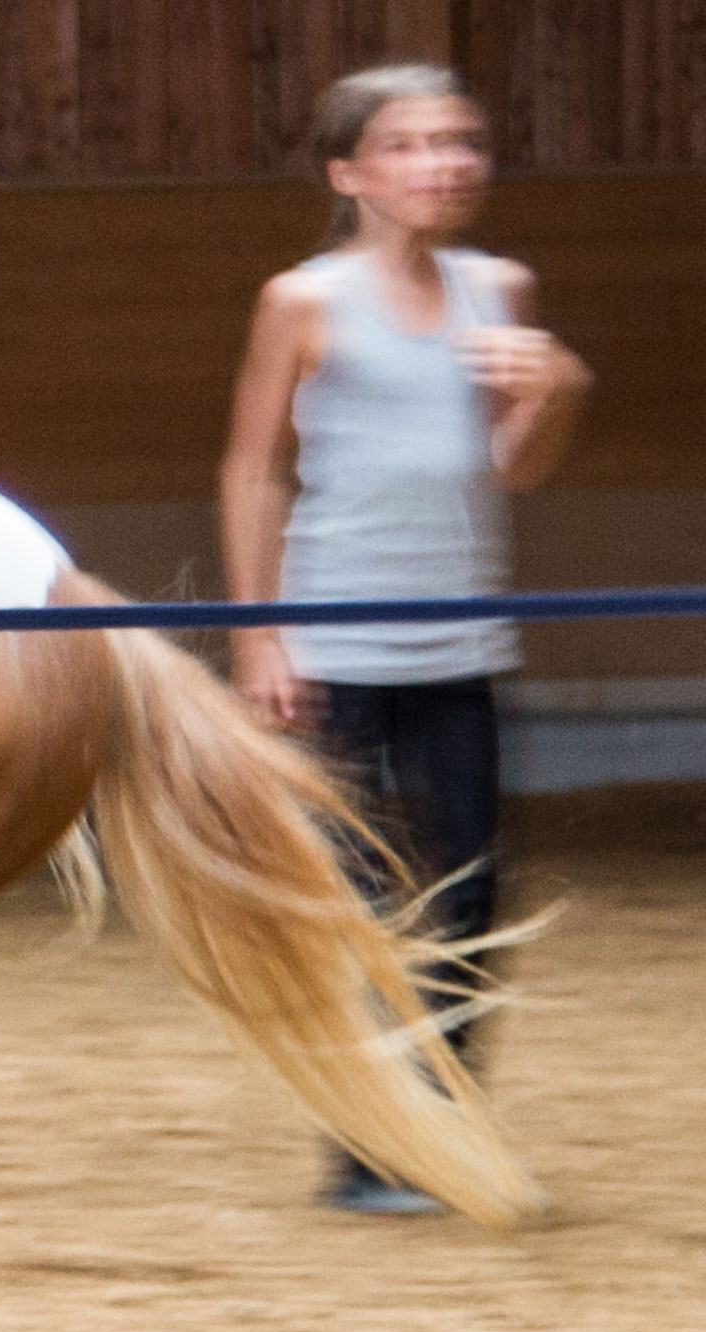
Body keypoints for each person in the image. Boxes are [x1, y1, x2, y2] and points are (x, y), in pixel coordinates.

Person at [217, 63, 592, 1213]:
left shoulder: (500, 288)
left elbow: (512, 466)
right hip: (338, 650)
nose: (446, 162)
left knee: (474, 895)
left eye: (461, 141)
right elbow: (253, 467)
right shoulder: (305, 299)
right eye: (414, 143)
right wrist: (261, 637)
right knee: (363, 906)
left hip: (464, 646)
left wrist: (559, 388)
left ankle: (440, 1130)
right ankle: (365, 1148)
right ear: (351, 173)